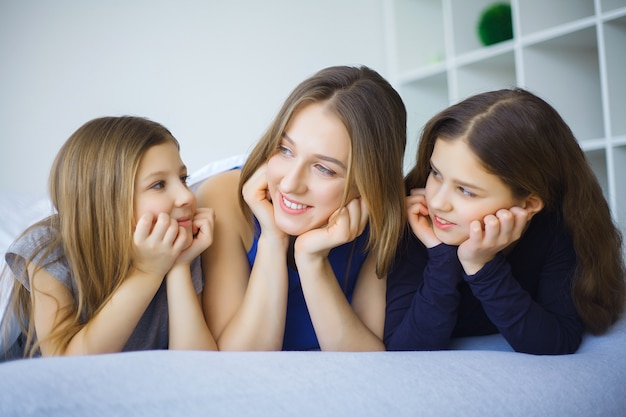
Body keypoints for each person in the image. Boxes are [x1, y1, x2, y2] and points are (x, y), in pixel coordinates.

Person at [384, 88, 625, 355]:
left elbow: (557, 342)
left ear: (529, 204)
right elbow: (405, 350)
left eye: (466, 190)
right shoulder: (415, 219)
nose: (438, 202)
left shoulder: (556, 230)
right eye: (437, 173)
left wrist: (481, 265)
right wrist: (442, 258)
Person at [196, 65, 407, 351]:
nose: (290, 184)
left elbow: (366, 363)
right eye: (285, 150)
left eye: (323, 168)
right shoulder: (224, 197)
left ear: (367, 184)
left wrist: (312, 262)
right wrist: (272, 239)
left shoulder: (381, 220)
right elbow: (238, 363)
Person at [1, 116, 217, 359]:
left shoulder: (177, 241)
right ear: (105, 201)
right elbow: (65, 365)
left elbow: (198, 366)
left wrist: (180, 265)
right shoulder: (48, 248)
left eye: (183, 179)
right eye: (158, 185)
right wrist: (147, 272)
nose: (186, 196)